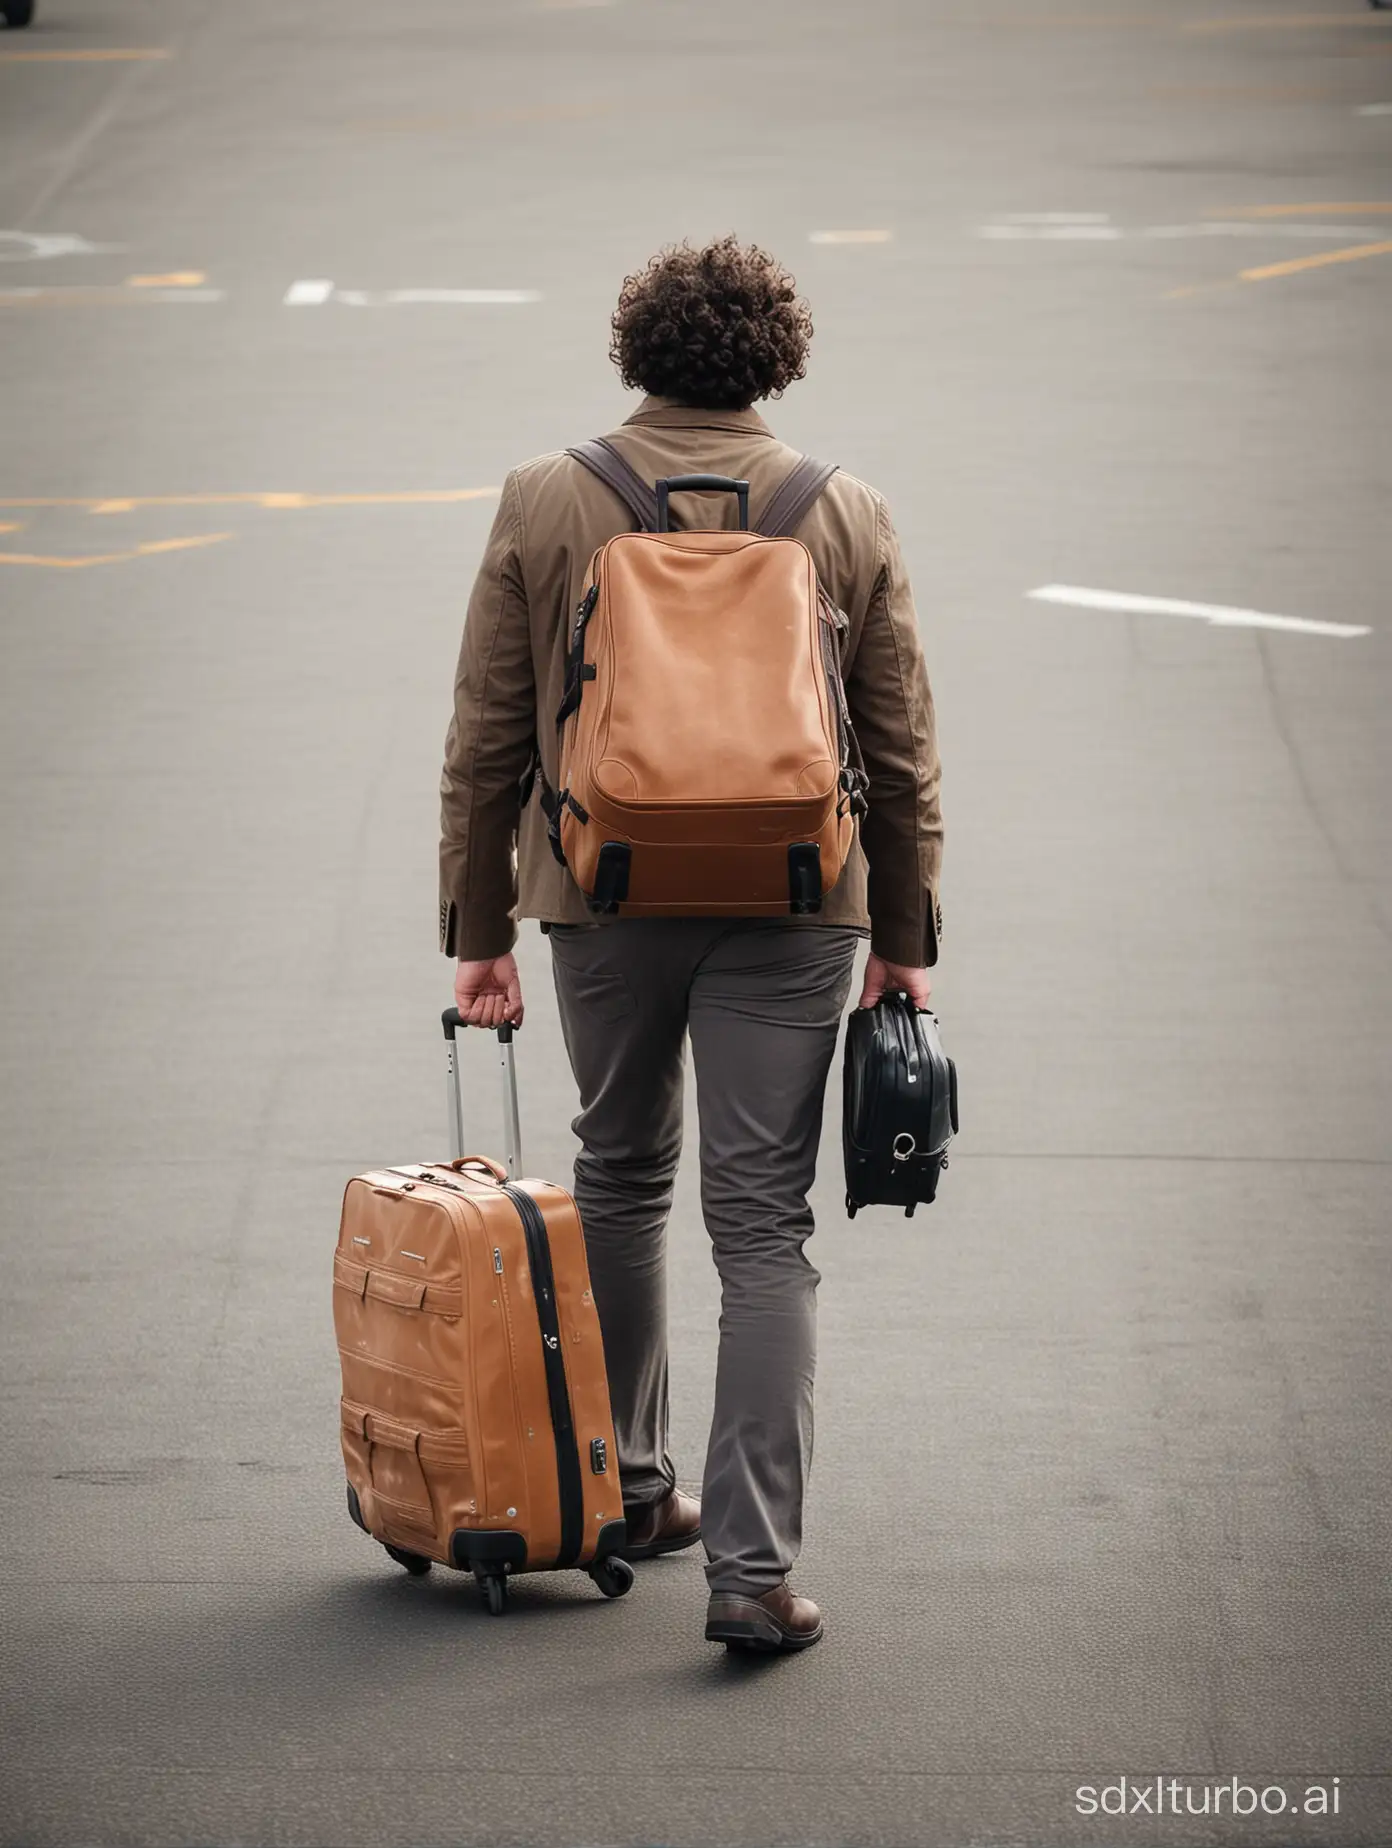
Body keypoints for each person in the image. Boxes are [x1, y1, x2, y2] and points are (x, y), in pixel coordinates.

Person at [439, 236, 943, 1652]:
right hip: (796, 901)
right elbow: (899, 745)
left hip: (599, 893)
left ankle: (627, 1488)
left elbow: (485, 736)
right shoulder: (842, 509)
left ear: (633, 350)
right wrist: (901, 937)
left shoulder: (548, 498)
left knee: (617, 1175)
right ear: (777, 359)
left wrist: (481, 934)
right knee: (763, 1226)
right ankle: (753, 1573)